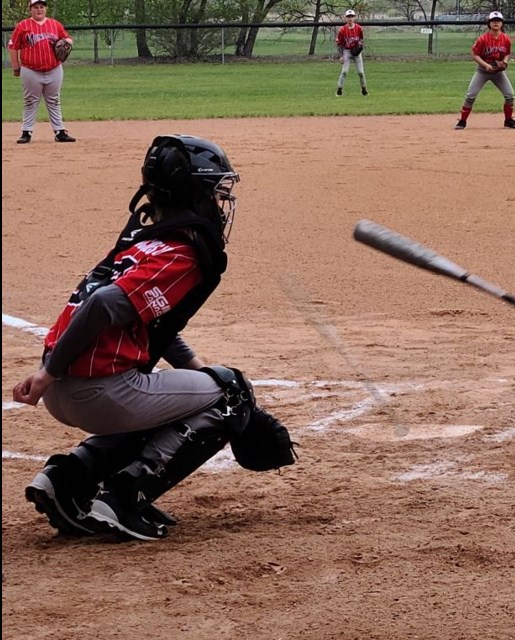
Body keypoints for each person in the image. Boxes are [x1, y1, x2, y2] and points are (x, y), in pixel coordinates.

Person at [13, 135, 294, 541]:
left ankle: (69, 479)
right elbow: (105, 305)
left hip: (74, 385)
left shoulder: (147, 238)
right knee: (233, 393)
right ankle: (124, 497)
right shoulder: (182, 251)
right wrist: (47, 374)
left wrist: (200, 375)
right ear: (192, 190)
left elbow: (149, 323)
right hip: (96, 390)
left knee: (211, 387)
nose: (219, 202)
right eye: (214, 191)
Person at [8, 0, 76, 144]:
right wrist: (16, 67)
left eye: (41, 7)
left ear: (45, 8)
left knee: (54, 100)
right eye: (35, 7)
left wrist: (68, 42)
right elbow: (13, 47)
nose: (39, 9)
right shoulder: (23, 26)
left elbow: (67, 38)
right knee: (30, 101)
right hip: (30, 69)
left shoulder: (54, 24)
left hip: (54, 69)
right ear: (30, 9)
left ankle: (60, 131)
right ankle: (26, 132)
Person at [454, 11, 515, 130]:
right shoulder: (483, 39)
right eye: (493, 21)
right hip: (483, 71)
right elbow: (475, 55)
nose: (496, 23)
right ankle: (462, 121)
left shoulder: (506, 39)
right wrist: (485, 65)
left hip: (498, 72)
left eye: (498, 21)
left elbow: (507, 54)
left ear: (502, 23)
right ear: (489, 24)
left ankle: (508, 121)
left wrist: (505, 62)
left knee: (510, 95)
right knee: (471, 95)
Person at [335, 9, 368, 97]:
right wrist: (341, 55)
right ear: (345, 18)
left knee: (361, 72)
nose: (350, 19)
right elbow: (339, 43)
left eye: (352, 16)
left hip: (356, 52)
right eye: (348, 17)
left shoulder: (359, 28)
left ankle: (364, 89)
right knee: (344, 71)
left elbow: (361, 39)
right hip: (347, 51)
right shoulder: (342, 30)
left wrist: (360, 46)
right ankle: (339, 88)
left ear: (354, 17)